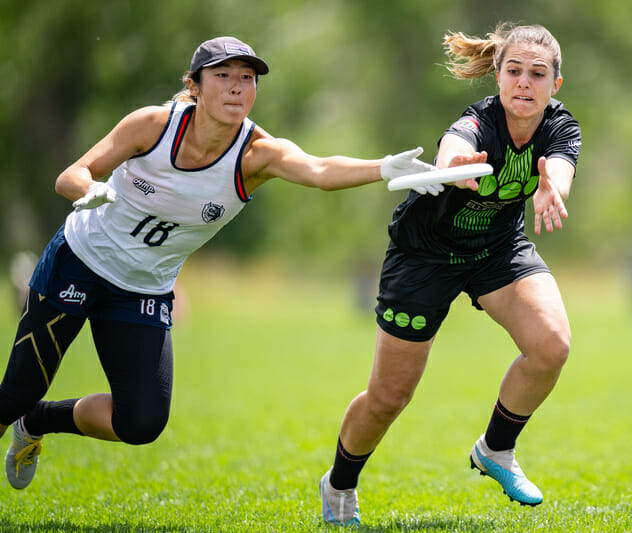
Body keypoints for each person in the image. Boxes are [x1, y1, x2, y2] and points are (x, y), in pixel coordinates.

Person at [0, 35, 442, 491]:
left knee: (141, 423)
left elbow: (320, 170)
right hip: (80, 262)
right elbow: (70, 175)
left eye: (247, 79)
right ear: (194, 85)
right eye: (223, 76)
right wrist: (87, 189)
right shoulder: (152, 125)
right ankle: (23, 407)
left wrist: (385, 168)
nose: (237, 87)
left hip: (144, 289)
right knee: (14, 393)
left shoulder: (257, 154)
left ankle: (37, 421)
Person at [319, 23, 581, 526]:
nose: (524, 83)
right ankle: (339, 483)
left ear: (555, 85)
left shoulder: (561, 127)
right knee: (389, 397)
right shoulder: (477, 121)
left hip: (496, 248)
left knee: (552, 345)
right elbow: (454, 147)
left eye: (537, 74)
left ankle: (496, 450)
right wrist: (454, 165)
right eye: (514, 72)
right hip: (425, 256)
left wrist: (553, 188)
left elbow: (561, 170)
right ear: (499, 78)